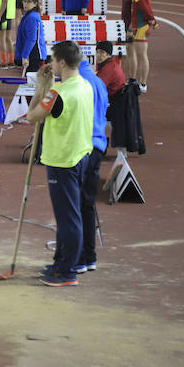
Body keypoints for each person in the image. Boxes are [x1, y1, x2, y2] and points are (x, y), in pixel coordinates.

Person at [26, 41, 94, 287]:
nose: (51, 64)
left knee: (67, 219)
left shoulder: (58, 93)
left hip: (63, 160)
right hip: (80, 156)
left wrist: (42, 87)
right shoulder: (85, 85)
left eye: (53, 60)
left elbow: (32, 115)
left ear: (62, 62)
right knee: (69, 216)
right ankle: (61, 262)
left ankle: (67, 271)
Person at [76, 43, 109, 275]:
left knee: (74, 206)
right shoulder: (99, 82)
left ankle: (78, 258)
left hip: (81, 149)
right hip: (97, 147)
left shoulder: (78, 84)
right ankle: (90, 256)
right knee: (87, 205)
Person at [128, 0, 157, 93]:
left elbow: (147, 10)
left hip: (141, 28)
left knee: (142, 56)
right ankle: (141, 82)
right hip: (138, 27)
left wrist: (153, 21)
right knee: (140, 55)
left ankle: (143, 84)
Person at [14, 0, 46, 72]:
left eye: (28, 2)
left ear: (35, 4)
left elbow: (31, 38)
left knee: (30, 82)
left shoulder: (31, 17)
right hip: (32, 53)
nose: (25, 4)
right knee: (29, 82)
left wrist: (25, 56)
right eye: (24, 1)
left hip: (34, 55)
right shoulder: (28, 15)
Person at [120, 0, 139, 80]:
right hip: (124, 25)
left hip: (129, 27)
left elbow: (135, 12)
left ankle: (132, 78)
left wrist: (130, 29)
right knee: (125, 52)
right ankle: (127, 78)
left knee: (131, 53)